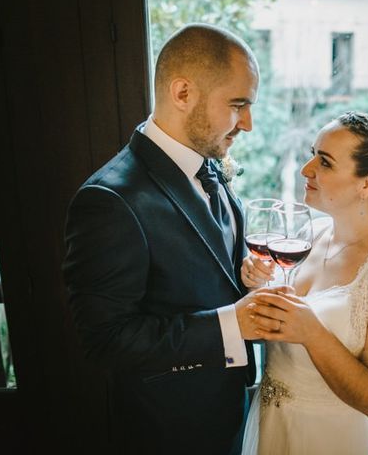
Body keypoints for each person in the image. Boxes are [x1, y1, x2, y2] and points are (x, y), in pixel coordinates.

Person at [62, 24, 283, 455]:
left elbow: (212, 269)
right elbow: (105, 340)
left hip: (231, 413)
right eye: (238, 105)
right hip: (168, 429)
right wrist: (232, 324)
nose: (249, 124)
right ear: (183, 93)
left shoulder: (208, 165)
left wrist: (250, 280)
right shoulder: (110, 201)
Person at [240, 111, 368, 454]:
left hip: (336, 437)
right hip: (274, 424)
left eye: (325, 162)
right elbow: (281, 324)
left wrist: (312, 332)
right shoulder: (308, 234)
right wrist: (258, 286)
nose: (306, 169)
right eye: (313, 154)